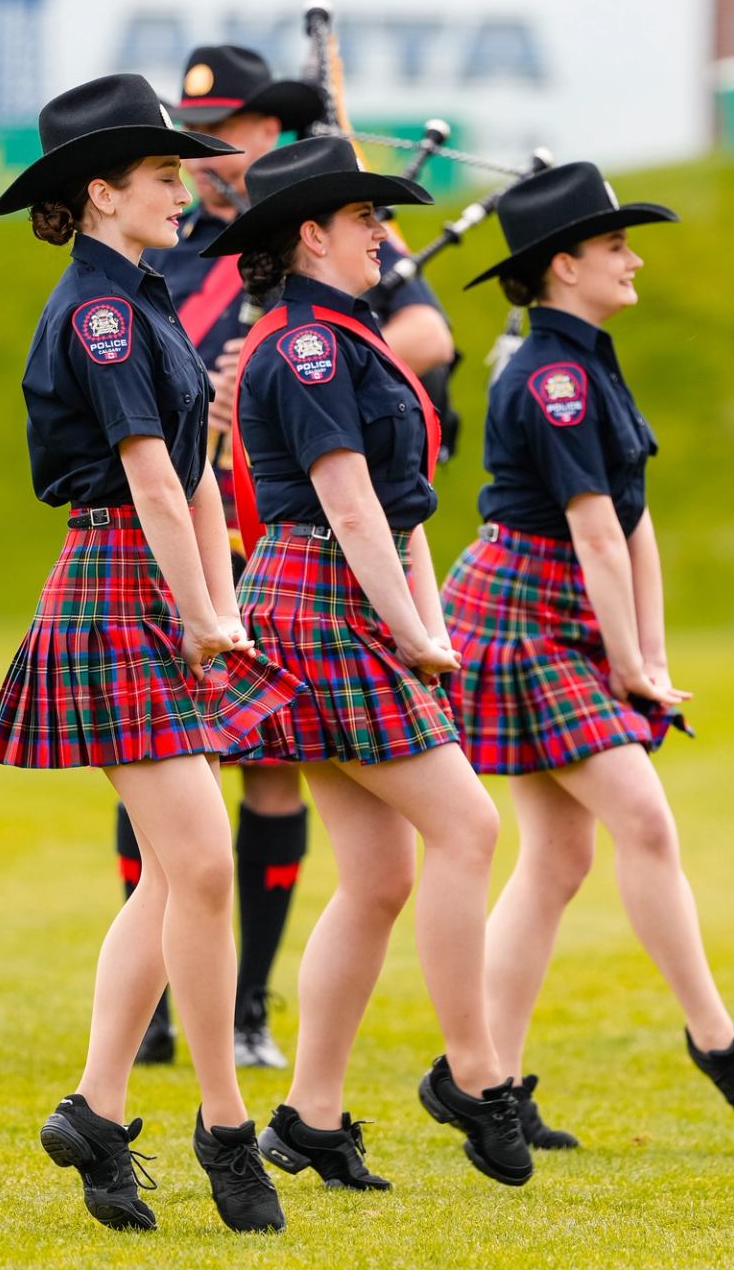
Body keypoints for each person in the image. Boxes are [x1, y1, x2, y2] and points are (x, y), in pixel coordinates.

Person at [0, 74, 296, 1234]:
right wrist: (203, 610)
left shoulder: (149, 298)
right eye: (164, 173)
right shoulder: (102, 312)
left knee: (179, 873)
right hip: (118, 578)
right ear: (100, 192)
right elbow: (152, 478)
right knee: (202, 867)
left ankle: (98, 1110)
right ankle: (224, 1127)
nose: (186, 185)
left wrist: (221, 605)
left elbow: (205, 469)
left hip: (159, 585)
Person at [440, 162, 734, 1148]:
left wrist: (648, 650)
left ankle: (485, 1081)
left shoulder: (589, 357)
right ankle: (716, 1038)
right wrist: (629, 660)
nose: (633, 258)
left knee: (558, 856)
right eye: (614, 247)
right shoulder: (554, 376)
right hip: (522, 613)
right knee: (643, 817)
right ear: (563, 266)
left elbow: (636, 523)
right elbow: (595, 534)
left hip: (563, 612)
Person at [113, 43, 458, 1070]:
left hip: (280, 524)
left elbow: (427, 339)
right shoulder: (164, 254)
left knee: (273, 785)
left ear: (272, 135)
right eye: (197, 138)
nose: (212, 157)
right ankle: (167, 1006)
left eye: (232, 135)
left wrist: (292, 363)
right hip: (181, 527)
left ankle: (251, 1003)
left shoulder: (334, 255)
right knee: (168, 785)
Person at [204, 135, 531, 1190]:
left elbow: (404, 508)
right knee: (468, 823)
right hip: (322, 597)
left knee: (385, 870)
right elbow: (348, 502)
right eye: (365, 221)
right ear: (312, 235)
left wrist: (425, 619)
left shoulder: (350, 334)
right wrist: (412, 629)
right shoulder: (305, 345)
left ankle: (309, 1111)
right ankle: (476, 1073)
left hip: (350, 593)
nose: (386, 238)